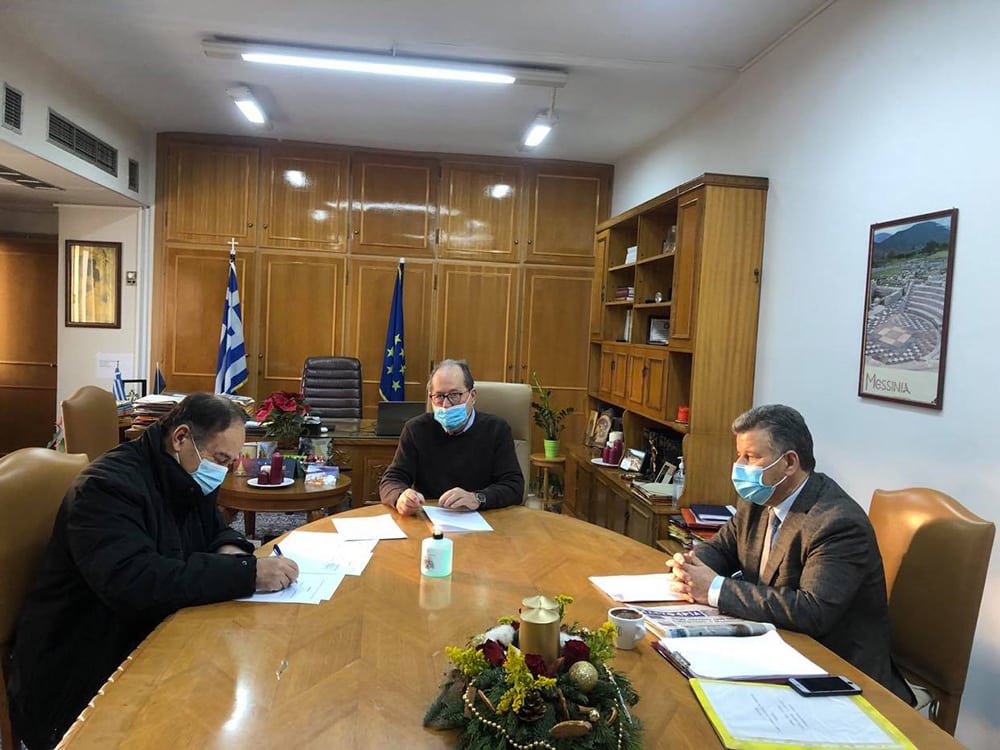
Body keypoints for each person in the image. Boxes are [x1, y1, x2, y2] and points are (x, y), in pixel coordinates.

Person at [7, 392, 299, 749]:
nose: (222, 471)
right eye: (221, 459)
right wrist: (246, 574)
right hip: (81, 669)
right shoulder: (106, 489)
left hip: (148, 635)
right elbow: (138, 584)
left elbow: (215, 529)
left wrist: (232, 550)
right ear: (180, 438)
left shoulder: (186, 471)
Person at [665, 404, 914, 704]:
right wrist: (690, 566)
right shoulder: (759, 498)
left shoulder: (837, 522)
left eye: (751, 457)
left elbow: (811, 612)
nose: (739, 466)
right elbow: (722, 547)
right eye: (739, 455)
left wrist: (714, 589)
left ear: (789, 463)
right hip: (775, 646)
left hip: (837, 671)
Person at [379, 359, 524, 515]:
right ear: (430, 397)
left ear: (472, 396)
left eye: (454, 395)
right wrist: (401, 496)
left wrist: (477, 498)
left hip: (484, 518)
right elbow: (391, 479)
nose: (446, 405)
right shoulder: (416, 429)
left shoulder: (496, 429)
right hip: (430, 519)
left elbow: (514, 486)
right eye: (439, 396)